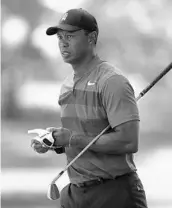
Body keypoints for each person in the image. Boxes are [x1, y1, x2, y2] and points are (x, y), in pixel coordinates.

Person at [31, 8, 148, 208]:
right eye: (60, 37)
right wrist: (55, 142)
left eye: (70, 36)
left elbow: (129, 141)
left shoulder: (112, 82)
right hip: (76, 194)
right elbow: (81, 135)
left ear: (91, 37)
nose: (63, 43)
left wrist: (71, 138)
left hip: (114, 193)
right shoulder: (67, 85)